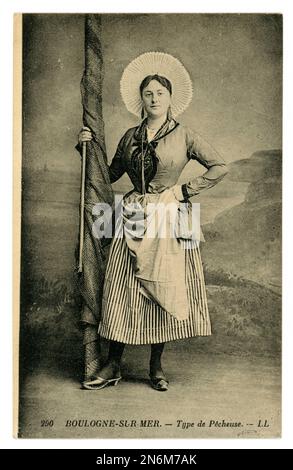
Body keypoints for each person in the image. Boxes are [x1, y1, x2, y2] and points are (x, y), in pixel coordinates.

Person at [78, 52, 228, 391]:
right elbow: (109, 174)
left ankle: (155, 366)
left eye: (160, 93)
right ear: (140, 100)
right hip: (134, 215)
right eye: (148, 94)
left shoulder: (185, 135)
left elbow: (220, 166)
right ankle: (113, 363)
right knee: (123, 288)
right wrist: (86, 146)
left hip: (170, 216)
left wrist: (184, 191)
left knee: (163, 286)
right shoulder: (130, 136)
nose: (154, 99)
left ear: (171, 98)